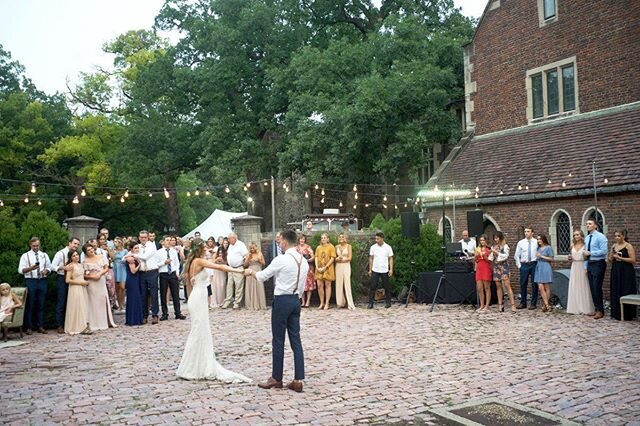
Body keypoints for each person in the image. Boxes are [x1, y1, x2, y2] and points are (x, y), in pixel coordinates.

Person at [176, 238, 251, 382]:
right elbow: (220, 268)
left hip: (197, 297)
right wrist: (239, 271)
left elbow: (189, 284)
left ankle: (197, 364)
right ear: (199, 248)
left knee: (200, 330)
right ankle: (193, 367)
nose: (205, 248)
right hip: (198, 298)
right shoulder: (198, 261)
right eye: (203, 246)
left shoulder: (191, 262)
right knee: (199, 331)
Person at [247, 230, 308, 392]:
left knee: (278, 340)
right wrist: (297, 297)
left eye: (280, 242)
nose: (279, 244)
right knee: (296, 340)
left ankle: (277, 378)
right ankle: (298, 379)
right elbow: (301, 286)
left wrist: (251, 272)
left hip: (282, 301)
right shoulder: (304, 261)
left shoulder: (282, 259)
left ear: (285, 243)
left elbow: (262, 276)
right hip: (296, 300)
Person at [18, 237, 51, 334]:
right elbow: (20, 270)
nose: (36, 247)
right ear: (30, 245)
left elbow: (49, 267)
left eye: (37, 245)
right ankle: (29, 327)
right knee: (30, 303)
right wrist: (31, 268)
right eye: (34, 246)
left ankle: (40, 326)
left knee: (41, 303)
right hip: (31, 280)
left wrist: (46, 271)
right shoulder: (25, 256)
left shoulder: (44, 255)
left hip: (42, 280)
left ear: (40, 245)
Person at [83, 243, 116, 330]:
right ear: (86, 253)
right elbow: (84, 274)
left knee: (102, 300)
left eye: (92, 249)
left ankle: (103, 321)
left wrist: (100, 274)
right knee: (92, 302)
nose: (91, 251)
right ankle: (93, 322)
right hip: (91, 282)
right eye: (89, 251)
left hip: (100, 280)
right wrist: (92, 276)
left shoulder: (101, 257)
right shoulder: (84, 261)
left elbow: (106, 268)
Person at [50, 237, 81, 333]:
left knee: (71, 302)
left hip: (73, 279)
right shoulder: (60, 253)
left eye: (77, 244)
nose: (76, 246)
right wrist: (63, 267)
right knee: (61, 301)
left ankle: (70, 323)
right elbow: (52, 266)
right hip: (62, 279)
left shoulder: (76, 254)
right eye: (74, 244)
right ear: (69, 243)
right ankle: (59, 325)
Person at [609, 230, 637, 321]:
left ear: (623, 236)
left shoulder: (628, 246)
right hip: (616, 270)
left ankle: (627, 314)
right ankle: (616, 313)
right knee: (616, 289)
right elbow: (609, 259)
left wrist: (620, 258)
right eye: (615, 236)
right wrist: (612, 255)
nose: (616, 238)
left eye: (618, 236)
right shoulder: (614, 246)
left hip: (626, 271)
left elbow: (633, 260)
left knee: (625, 289)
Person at [583, 219, 608, 320]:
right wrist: (585, 267)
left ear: (595, 226)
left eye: (590, 224)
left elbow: (604, 251)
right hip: (590, 264)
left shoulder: (601, 237)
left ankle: (601, 311)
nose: (587, 225)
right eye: (587, 224)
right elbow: (585, 254)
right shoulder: (587, 238)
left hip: (598, 264)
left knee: (597, 287)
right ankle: (596, 308)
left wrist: (591, 253)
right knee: (592, 288)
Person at [134, 230, 161, 324]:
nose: (143, 239)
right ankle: (144, 315)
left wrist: (135, 255)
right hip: (142, 272)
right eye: (141, 237)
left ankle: (155, 314)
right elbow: (128, 255)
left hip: (152, 271)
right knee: (143, 294)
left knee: (153, 293)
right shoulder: (138, 247)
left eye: (145, 237)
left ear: (148, 237)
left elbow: (145, 257)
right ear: (139, 237)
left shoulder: (151, 246)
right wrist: (131, 255)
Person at [566, 230, 595, 315]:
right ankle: (574, 307)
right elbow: (570, 256)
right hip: (574, 266)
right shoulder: (572, 245)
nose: (576, 236)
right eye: (574, 235)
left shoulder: (585, 245)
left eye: (577, 235)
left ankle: (585, 307)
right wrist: (569, 258)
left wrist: (586, 268)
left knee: (583, 285)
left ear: (581, 235)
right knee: (574, 285)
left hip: (582, 266)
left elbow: (587, 257)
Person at [64, 251, 92, 335]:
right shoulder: (71, 266)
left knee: (83, 306)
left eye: (77, 255)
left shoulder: (80, 265)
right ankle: (77, 326)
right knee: (77, 306)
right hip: (75, 288)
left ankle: (83, 324)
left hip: (82, 287)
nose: (76, 257)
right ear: (70, 257)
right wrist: (80, 282)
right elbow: (67, 280)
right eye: (74, 256)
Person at [159, 236, 186, 321]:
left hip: (172, 273)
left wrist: (177, 273)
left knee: (175, 294)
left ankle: (178, 312)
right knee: (163, 294)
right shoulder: (158, 252)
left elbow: (176, 263)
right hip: (163, 273)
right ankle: (164, 313)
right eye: (167, 240)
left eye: (170, 240)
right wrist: (164, 262)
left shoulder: (173, 251)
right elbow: (156, 264)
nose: (169, 242)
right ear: (163, 242)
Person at [514, 227, 539, 310]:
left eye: (528, 231)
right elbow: (517, 255)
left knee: (534, 284)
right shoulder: (521, 243)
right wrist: (519, 265)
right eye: (525, 231)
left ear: (532, 233)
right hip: (524, 264)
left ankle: (533, 303)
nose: (526, 233)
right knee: (523, 283)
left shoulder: (536, 242)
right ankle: (523, 302)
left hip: (533, 264)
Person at [222, 232, 248, 309]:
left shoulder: (241, 245)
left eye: (230, 239)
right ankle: (228, 301)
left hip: (238, 267)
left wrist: (244, 265)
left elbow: (246, 255)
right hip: (230, 268)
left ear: (234, 238)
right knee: (229, 285)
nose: (229, 241)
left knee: (239, 285)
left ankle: (237, 302)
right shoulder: (230, 245)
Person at [368, 232, 394, 309]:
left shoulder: (388, 247)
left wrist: (391, 269)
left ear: (382, 238)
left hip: (384, 269)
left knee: (386, 286)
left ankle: (388, 302)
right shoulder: (373, 247)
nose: (376, 240)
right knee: (373, 286)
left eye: (378, 239)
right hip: (375, 269)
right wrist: (370, 269)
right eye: (376, 239)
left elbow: (391, 258)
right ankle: (370, 303)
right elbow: (371, 258)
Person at [491, 232, 515, 313]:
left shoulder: (505, 246)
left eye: (497, 238)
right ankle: (500, 304)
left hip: (504, 267)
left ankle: (513, 304)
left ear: (500, 238)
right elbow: (491, 258)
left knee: (507, 285)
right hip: (496, 267)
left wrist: (496, 252)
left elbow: (505, 256)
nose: (496, 239)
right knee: (498, 286)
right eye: (495, 238)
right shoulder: (493, 247)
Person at [124, 242, 144, 326]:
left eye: (137, 248)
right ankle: (133, 319)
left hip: (135, 279)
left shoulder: (135, 257)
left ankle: (135, 318)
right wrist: (139, 264)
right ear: (131, 249)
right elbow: (133, 271)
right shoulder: (131, 258)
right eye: (135, 248)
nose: (137, 249)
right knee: (134, 298)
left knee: (136, 298)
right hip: (132, 279)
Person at [315, 233, 336, 310]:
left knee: (328, 285)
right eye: (322, 238)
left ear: (328, 239)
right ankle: (321, 302)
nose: (323, 239)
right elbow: (316, 257)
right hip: (319, 268)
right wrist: (317, 267)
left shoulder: (331, 247)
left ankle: (327, 303)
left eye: (324, 238)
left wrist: (326, 267)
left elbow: (332, 258)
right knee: (319, 286)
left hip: (328, 268)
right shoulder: (318, 247)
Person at [243, 242, 267, 310]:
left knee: (258, 286)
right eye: (251, 248)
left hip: (258, 270)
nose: (252, 249)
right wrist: (248, 259)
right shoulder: (248, 254)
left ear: (256, 247)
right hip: (250, 271)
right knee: (250, 287)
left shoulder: (259, 253)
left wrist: (259, 260)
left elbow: (264, 263)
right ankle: (251, 304)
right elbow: (245, 265)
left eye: (253, 248)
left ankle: (259, 304)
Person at [534, 234, 554, 312]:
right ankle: (547, 305)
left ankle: (545, 305)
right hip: (539, 266)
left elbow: (551, 258)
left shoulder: (548, 248)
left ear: (543, 239)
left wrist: (541, 256)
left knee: (546, 286)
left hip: (546, 266)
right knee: (540, 287)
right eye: (538, 239)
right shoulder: (538, 248)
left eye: (540, 239)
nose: (539, 240)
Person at [335, 233, 355, 310]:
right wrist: (337, 259)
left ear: (345, 238)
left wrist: (342, 259)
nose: (341, 238)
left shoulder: (349, 246)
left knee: (347, 283)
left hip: (346, 265)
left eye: (342, 237)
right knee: (338, 283)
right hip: (338, 266)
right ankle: (340, 302)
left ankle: (349, 303)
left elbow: (350, 258)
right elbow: (334, 258)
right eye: (340, 237)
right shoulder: (336, 246)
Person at [296, 235, 315, 308]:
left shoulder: (308, 247)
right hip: (299, 268)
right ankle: (303, 301)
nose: (302, 240)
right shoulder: (296, 248)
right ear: (299, 240)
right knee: (302, 284)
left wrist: (308, 259)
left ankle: (308, 301)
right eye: (301, 239)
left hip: (308, 267)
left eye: (303, 239)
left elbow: (313, 257)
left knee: (309, 284)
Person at [474, 235, 493, 312]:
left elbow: (490, 261)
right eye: (481, 240)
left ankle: (487, 305)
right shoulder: (478, 249)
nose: (482, 242)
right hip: (479, 268)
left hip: (486, 268)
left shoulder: (489, 249)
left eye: (483, 240)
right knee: (480, 288)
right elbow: (476, 260)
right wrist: (476, 256)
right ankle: (481, 304)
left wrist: (483, 255)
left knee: (487, 288)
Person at [210, 238, 228, 308]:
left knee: (222, 286)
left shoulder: (225, 256)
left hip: (222, 272)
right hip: (216, 272)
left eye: (221, 252)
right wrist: (217, 260)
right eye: (219, 252)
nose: (220, 253)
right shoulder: (215, 255)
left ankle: (221, 301)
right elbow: (212, 262)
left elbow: (226, 264)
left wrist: (223, 261)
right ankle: (215, 301)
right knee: (215, 286)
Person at [113, 239, 128, 314]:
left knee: (122, 287)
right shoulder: (113, 250)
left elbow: (127, 258)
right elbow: (111, 258)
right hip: (115, 268)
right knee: (117, 288)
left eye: (117, 242)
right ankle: (119, 305)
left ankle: (122, 303)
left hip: (122, 268)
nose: (116, 243)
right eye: (115, 242)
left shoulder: (125, 251)